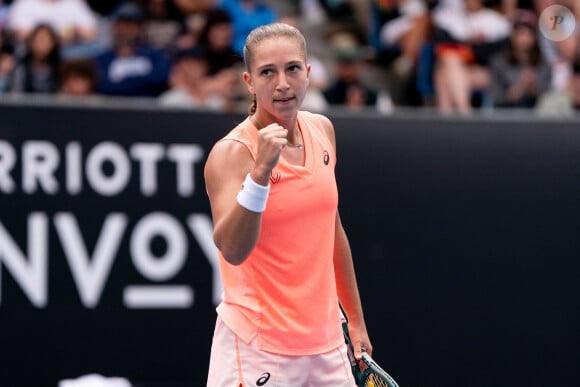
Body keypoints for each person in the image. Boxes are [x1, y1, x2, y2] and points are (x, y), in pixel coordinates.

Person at [204, 22, 371, 386]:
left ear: (308, 73)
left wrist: (355, 320)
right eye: (268, 72)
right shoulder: (233, 153)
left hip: (326, 346)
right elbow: (233, 249)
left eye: (292, 69)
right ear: (249, 82)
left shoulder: (322, 130)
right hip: (258, 348)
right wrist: (260, 173)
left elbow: (332, 231)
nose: (282, 83)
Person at [93, 1, 171, 97]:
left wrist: (120, 81)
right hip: (112, 109)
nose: (125, 30)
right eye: (121, 25)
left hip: (148, 108)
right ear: (114, 27)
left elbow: (161, 78)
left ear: (140, 28)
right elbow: (104, 85)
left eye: (130, 25)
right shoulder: (102, 59)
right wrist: (142, 82)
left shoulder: (155, 56)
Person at [489, 8, 551, 108]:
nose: (523, 38)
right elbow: (496, 98)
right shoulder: (498, 63)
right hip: (506, 117)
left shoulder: (543, 64)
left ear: (534, 37)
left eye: (528, 33)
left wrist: (533, 89)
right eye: (520, 32)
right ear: (512, 35)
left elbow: (548, 100)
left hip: (537, 118)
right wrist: (519, 88)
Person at [10, 24, 62, 94]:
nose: (44, 44)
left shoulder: (59, 68)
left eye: (47, 40)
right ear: (31, 42)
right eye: (41, 39)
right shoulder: (20, 68)